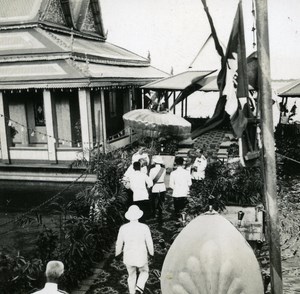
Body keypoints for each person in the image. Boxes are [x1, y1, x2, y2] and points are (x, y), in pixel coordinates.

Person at [115, 205, 154, 294]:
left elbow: (119, 243)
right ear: (139, 216)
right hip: (141, 256)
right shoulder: (144, 227)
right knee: (144, 272)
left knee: (131, 276)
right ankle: (139, 288)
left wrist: (117, 254)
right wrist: (151, 253)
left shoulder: (123, 228)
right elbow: (149, 242)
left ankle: (132, 292)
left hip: (128, 257)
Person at [149, 155, 166, 224]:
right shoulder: (163, 170)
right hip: (162, 186)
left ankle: (153, 213)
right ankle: (160, 213)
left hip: (155, 186)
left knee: (153, 201)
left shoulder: (152, 170)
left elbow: (150, 180)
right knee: (161, 201)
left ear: (155, 162)